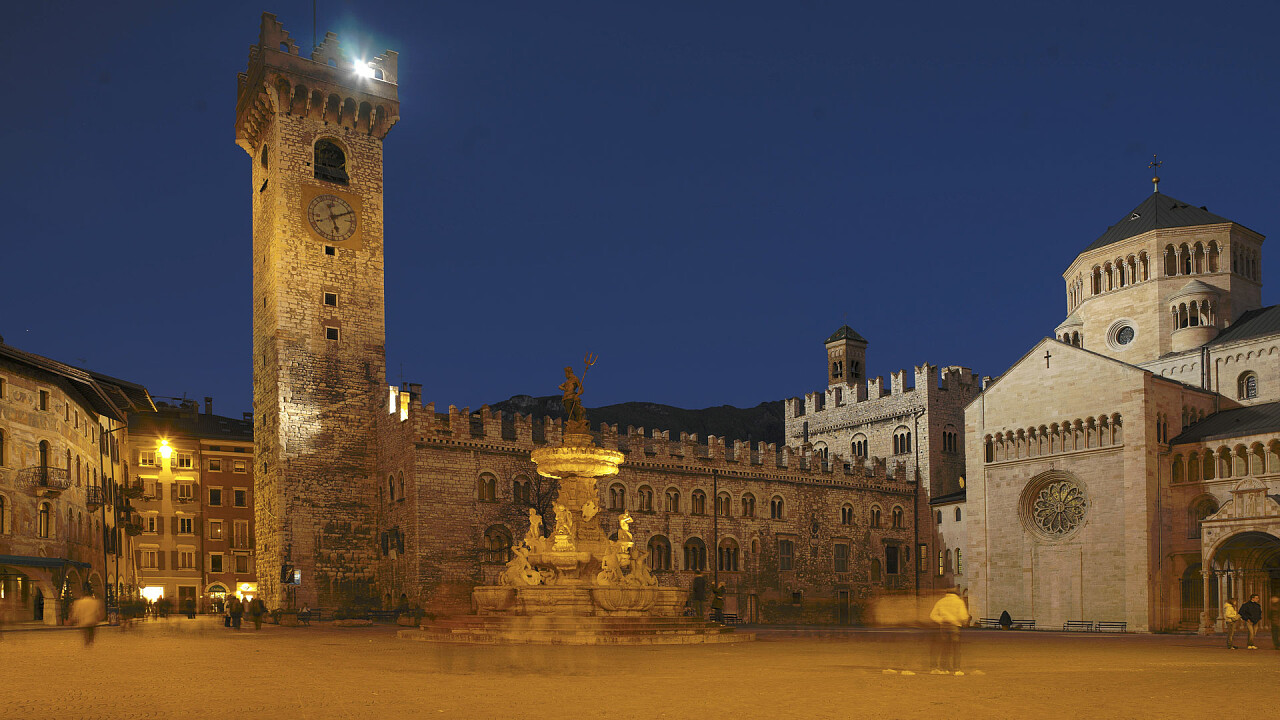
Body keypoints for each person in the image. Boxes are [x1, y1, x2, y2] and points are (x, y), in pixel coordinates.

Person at [929, 588, 970, 675]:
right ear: (956, 594)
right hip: (954, 626)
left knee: (945, 647)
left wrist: (941, 620)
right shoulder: (959, 601)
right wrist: (963, 621)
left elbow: (932, 615)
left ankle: (944, 668)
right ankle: (956, 669)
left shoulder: (941, 601)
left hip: (944, 626)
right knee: (956, 648)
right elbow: (963, 616)